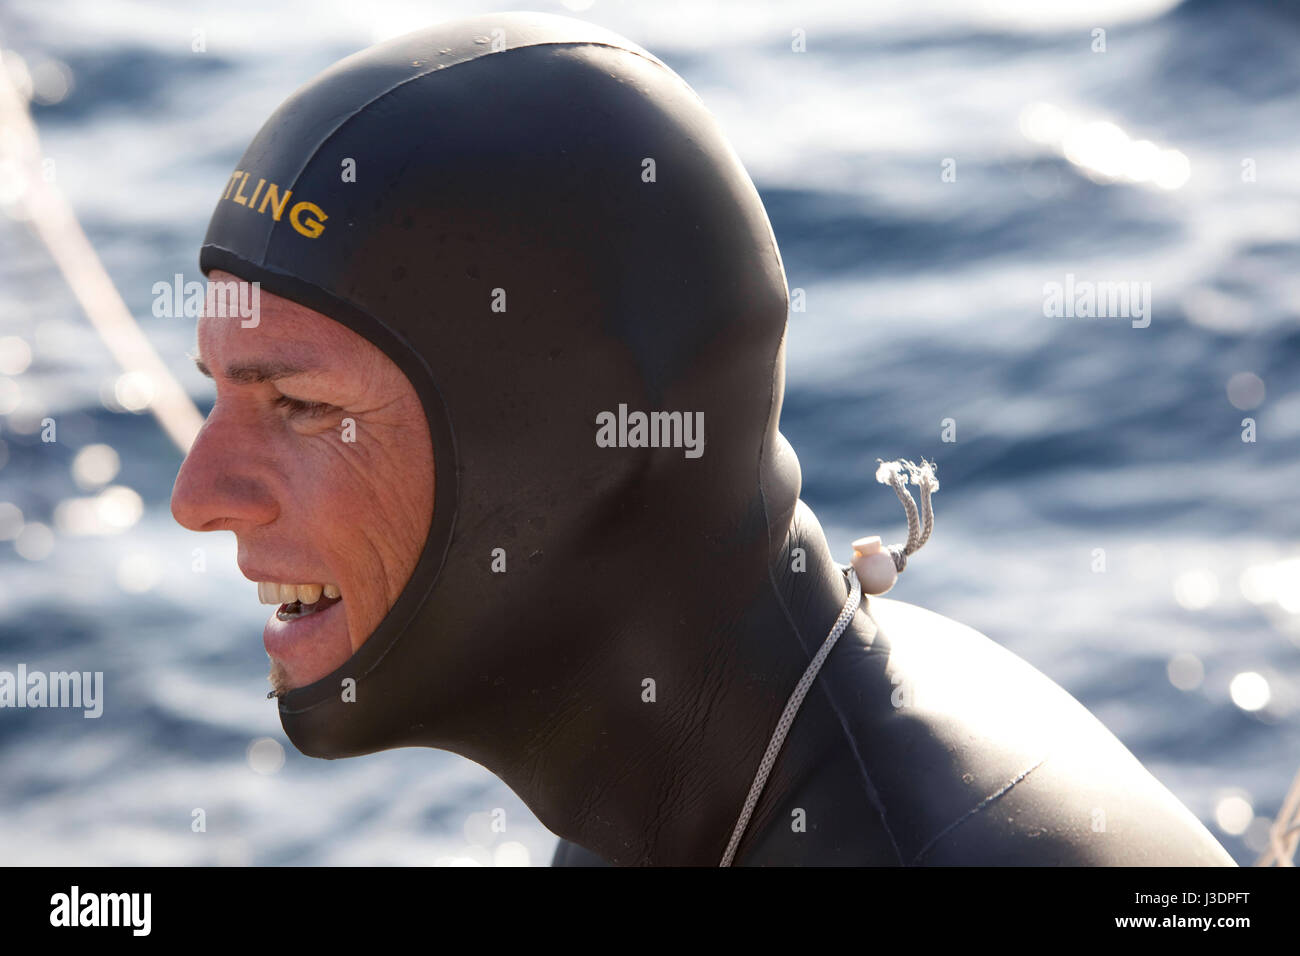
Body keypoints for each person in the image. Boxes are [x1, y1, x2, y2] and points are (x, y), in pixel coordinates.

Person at [170, 11, 1235, 866]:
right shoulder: (716, 773)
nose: (197, 492)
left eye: (301, 405)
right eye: (215, 391)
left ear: (586, 441)